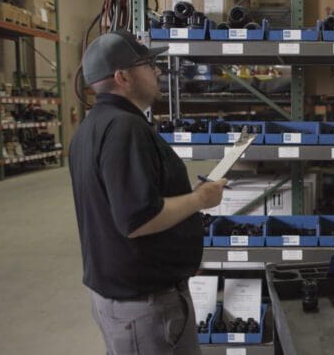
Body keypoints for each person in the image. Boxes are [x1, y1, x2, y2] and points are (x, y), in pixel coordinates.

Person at [69, 30, 227, 354]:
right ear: (122, 76)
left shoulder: (91, 127)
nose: (156, 71)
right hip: (144, 308)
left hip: (123, 297)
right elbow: (138, 218)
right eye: (147, 64)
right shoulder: (124, 128)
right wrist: (200, 199)